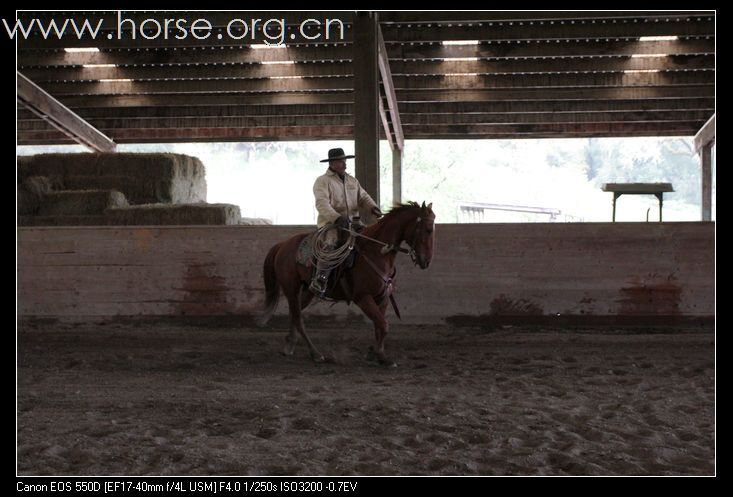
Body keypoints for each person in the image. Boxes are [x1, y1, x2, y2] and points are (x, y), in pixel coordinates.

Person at [310, 148, 383, 296]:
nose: (344, 164)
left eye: (344, 161)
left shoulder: (352, 180)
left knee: (370, 240)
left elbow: (363, 197)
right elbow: (321, 204)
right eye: (340, 161)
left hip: (354, 223)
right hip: (331, 224)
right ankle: (320, 279)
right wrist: (336, 218)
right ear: (332, 163)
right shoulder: (322, 181)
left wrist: (373, 208)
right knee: (331, 243)